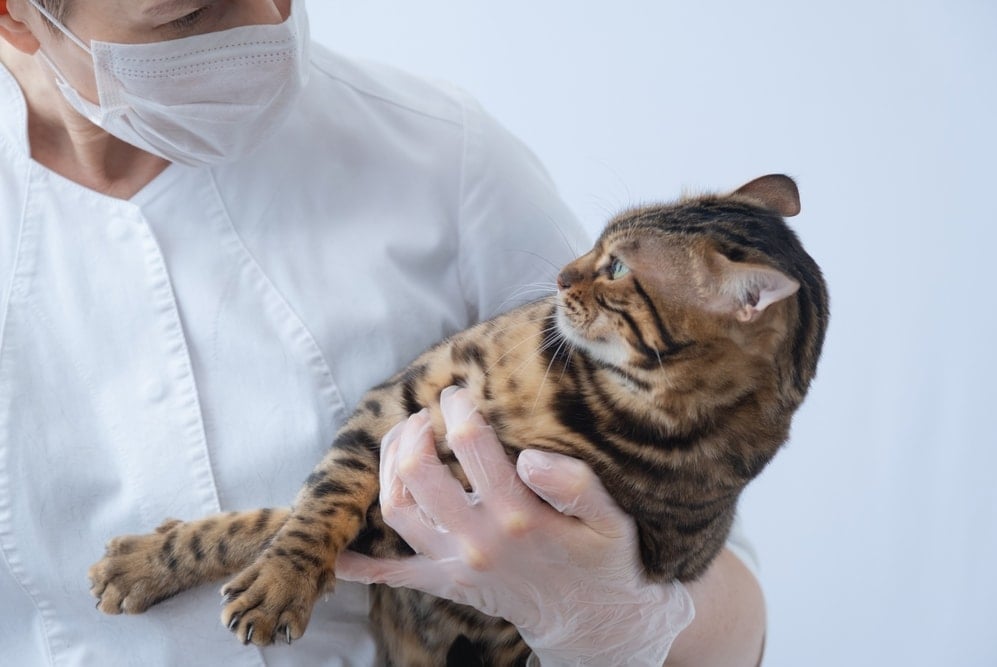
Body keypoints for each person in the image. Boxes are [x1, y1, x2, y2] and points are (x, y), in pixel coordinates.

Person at [0, 0, 765, 664]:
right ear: (18, 17)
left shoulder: (443, 154)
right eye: (190, 13)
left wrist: (626, 620)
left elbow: (718, 590)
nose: (269, 27)